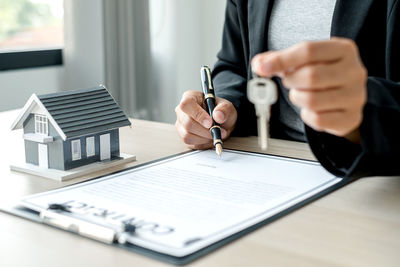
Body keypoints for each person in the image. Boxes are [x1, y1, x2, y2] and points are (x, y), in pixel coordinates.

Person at [175, 0, 400, 178]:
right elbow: (233, 64)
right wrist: (223, 107)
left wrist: (366, 111)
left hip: (369, 175)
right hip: (268, 162)